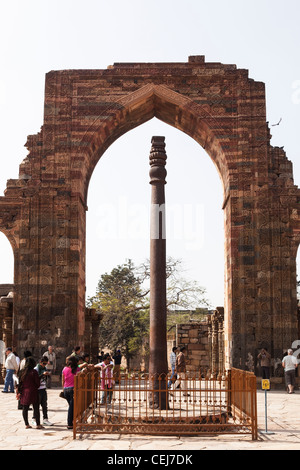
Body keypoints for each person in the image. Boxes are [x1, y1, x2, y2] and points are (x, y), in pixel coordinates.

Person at [16, 357, 43, 429]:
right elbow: (37, 384)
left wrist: (19, 392)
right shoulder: (34, 372)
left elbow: (20, 383)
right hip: (33, 391)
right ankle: (38, 424)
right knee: (36, 408)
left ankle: (26, 424)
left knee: (25, 408)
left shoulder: (22, 372)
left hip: (24, 392)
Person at [32, 356, 53, 426]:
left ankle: (45, 419)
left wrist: (47, 374)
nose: (45, 365)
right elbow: (35, 379)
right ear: (40, 362)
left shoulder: (44, 368)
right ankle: (34, 418)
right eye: (44, 363)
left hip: (43, 388)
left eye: (46, 363)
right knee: (36, 405)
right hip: (37, 389)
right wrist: (42, 374)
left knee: (44, 405)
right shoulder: (36, 369)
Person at [62, 355, 81, 429]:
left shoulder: (64, 369)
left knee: (72, 406)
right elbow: (79, 380)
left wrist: (63, 389)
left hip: (66, 389)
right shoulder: (78, 369)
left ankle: (72, 421)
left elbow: (63, 380)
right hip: (73, 389)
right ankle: (70, 423)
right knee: (71, 407)